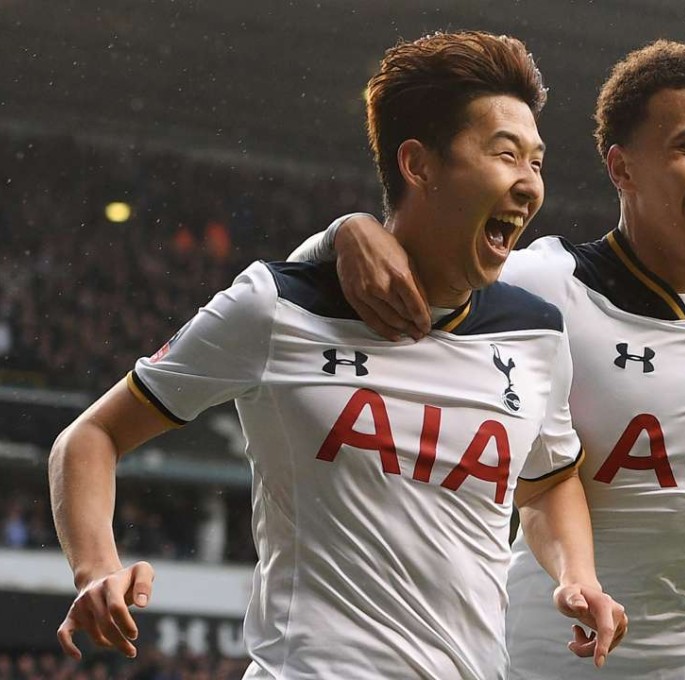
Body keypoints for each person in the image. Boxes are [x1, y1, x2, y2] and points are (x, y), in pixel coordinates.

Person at [48, 31, 626, 680]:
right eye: (505, 155)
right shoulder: (277, 306)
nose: (528, 184)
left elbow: (549, 481)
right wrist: (95, 569)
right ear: (419, 165)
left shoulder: (537, 333)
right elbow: (91, 436)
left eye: (537, 163)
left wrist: (578, 576)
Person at [290, 40, 685, 679]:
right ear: (622, 168)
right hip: (545, 663)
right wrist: (345, 233)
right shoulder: (544, 287)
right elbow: (325, 286)